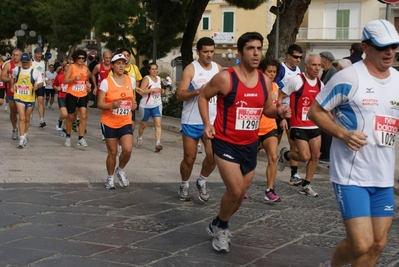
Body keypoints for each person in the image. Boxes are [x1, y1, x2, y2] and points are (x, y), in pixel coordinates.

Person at [309, 19, 399, 267]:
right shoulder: (347, 77)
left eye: (393, 46)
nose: (389, 52)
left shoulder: (398, 81)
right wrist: (342, 133)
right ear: (365, 47)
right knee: (361, 243)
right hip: (352, 175)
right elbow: (315, 112)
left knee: (378, 244)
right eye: (382, 47)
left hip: (382, 176)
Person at [198, 32, 291, 252]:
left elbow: (266, 109)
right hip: (225, 142)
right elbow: (203, 96)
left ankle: (217, 223)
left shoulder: (265, 80)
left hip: (250, 144)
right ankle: (222, 229)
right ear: (240, 52)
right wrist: (206, 123)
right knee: (236, 189)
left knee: (239, 195)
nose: (256, 53)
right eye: (251, 48)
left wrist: (278, 111)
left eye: (259, 48)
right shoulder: (226, 78)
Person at [176, 37, 222, 202]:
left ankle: (202, 180)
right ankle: (184, 184)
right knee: (190, 157)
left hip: (212, 121)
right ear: (198, 52)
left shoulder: (218, 68)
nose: (209, 55)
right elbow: (179, 94)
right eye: (205, 52)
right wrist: (197, 91)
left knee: (213, 156)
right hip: (192, 120)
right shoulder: (190, 69)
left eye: (211, 51)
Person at [277, 53, 323, 197]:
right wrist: (281, 111)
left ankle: (306, 185)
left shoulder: (321, 84)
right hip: (298, 124)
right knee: (304, 156)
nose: (317, 68)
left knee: (315, 155)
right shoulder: (297, 81)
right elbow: (280, 95)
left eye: (319, 65)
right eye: (314, 65)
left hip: (314, 124)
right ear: (306, 65)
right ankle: (285, 154)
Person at [97, 53, 137, 190]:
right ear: (112, 66)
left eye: (123, 63)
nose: (121, 65)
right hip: (109, 121)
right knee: (112, 152)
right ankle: (109, 178)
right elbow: (99, 104)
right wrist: (111, 106)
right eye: (118, 63)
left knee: (127, 149)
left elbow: (132, 99)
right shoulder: (106, 82)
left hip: (125, 120)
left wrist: (133, 106)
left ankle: (120, 169)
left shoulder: (130, 80)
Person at [274, 44, 303, 186]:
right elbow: (274, 86)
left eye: (300, 58)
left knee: (294, 144)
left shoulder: (299, 71)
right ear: (289, 56)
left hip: (291, 111)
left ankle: (294, 174)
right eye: (296, 57)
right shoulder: (281, 69)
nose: (298, 60)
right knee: (274, 143)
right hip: (277, 110)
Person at [257, 58, 281, 202]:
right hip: (254, 128)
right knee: (247, 161)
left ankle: (269, 190)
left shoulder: (275, 87)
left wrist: (282, 116)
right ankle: (242, 187)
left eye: (274, 72)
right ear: (262, 71)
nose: (271, 74)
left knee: (273, 157)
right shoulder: (256, 85)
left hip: (270, 127)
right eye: (269, 71)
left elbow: (275, 106)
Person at [10, 52, 43, 148]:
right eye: (23, 62)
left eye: (26, 62)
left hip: (30, 98)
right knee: (22, 117)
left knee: (27, 118)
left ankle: (25, 134)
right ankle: (21, 139)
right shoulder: (17, 70)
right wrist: (12, 86)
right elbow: (13, 77)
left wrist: (37, 86)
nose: (25, 64)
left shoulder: (35, 71)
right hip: (19, 97)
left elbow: (41, 82)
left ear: (29, 61)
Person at [63, 49, 92, 147]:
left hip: (83, 94)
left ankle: (81, 138)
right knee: (71, 117)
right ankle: (68, 136)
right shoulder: (71, 67)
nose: (81, 60)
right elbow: (65, 81)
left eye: (83, 58)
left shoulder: (85, 68)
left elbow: (86, 80)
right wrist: (74, 78)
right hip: (72, 94)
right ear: (75, 58)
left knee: (83, 115)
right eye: (79, 58)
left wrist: (88, 84)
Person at [135, 62, 164, 152]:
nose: (155, 71)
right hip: (146, 106)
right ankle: (139, 138)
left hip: (157, 104)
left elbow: (158, 90)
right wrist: (152, 90)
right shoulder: (146, 79)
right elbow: (141, 91)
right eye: (153, 69)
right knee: (143, 124)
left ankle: (158, 143)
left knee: (158, 124)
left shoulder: (159, 79)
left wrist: (161, 90)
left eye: (156, 69)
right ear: (149, 70)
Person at [113, 48, 142, 131]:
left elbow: (138, 80)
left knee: (131, 126)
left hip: (130, 101)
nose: (126, 57)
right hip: (118, 102)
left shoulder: (134, 68)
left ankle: (125, 140)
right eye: (124, 55)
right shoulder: (114, 70)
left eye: (127, 55)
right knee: (119, 125)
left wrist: (135, 88)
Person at [319, 51, 337, 163]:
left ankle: (327, 153)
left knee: (327, 131)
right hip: (324, 105)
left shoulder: (333, 73)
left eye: (320, 59)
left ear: (325, 60)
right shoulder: (325, 72)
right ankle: (324, 152)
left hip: (330, 106)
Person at [1, 48, 22, 140]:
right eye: (13, 55)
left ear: (20, 56)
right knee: (13, 111)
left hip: (23, 92)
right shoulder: (8, 65)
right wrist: (11, 79)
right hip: (11, 91)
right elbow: (2, 78)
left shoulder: (24, 64)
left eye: (17, 55)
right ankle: (14, 129)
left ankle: (23, 132)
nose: (15, 56)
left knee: (22, 113)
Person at [91, 50, 112, 140]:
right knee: (104, 112)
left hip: (112, 92)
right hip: (102, 92)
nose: (108, 60)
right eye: (106, 58)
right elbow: (92, 74)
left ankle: (111, 130)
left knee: (111, 112)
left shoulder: (113, 67)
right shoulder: (99, 66)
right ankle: (104, 133)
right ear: (103, 58)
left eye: (109, 58)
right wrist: (95, 86)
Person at [53, 60, 71, 136]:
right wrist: (57, 88)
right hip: (61, 97)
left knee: (69, 115)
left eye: (69, 66)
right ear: (63, 67)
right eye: (67, 66)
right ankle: (59, 120)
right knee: (64, 114)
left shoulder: (73, 76)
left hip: (70, 96)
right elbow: (54, 85)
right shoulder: (59, 76)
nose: (68, 67)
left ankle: (64, 129)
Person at [32, 47, 47, 128]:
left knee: (41, 102)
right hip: (33, 85)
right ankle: (30, 115)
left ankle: (41, 120)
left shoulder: (43, 62)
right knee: (32, 103)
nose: (39, 55)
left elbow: (43, 72)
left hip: (41, 84)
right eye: (38, 53)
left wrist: (46, 79)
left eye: (40, 54)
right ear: (35, 54)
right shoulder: (31, 62)